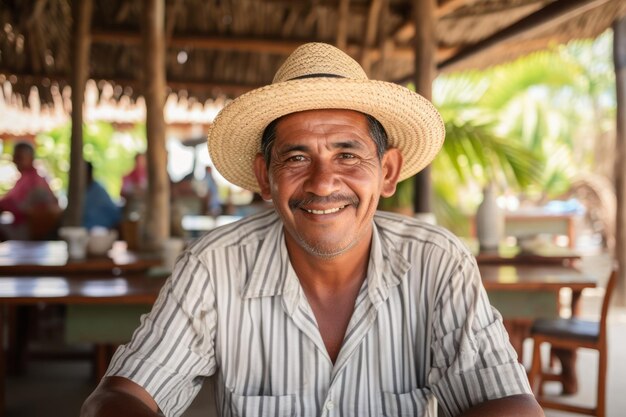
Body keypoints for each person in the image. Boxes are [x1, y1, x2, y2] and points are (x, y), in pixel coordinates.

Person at [82, 43, 543, 417]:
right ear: (265, 177)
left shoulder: (437, 261)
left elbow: (507, 401)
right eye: (297, 157)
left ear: (387, 172)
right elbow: (119, 398)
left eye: (348, 155)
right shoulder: (215, 264)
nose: (323, 183)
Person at [0, 142, 60, 240]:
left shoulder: (35, 181)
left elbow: (14, 204)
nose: (14, 160)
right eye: (15, 157)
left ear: (31, 158)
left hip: (29, 233)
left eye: (19, 157)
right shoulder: (24, 179)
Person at [82, 162, 122, 230]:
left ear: (88, 173)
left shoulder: (98, 191)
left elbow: (115, 215)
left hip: (100, 232)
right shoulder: (84, 191)